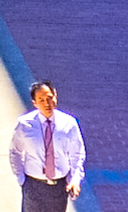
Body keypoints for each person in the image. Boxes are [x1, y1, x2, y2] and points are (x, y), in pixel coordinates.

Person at [10, 82, 87, 211]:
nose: (47, 103)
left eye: (49, 98)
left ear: (55, 96)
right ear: (34, 103)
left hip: (58, 187)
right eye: (41, 100)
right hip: (33, 185)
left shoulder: (68, 124)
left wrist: (75, 178)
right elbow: (15, 152)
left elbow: (77, 153)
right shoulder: (24, 125)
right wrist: (21, 178)